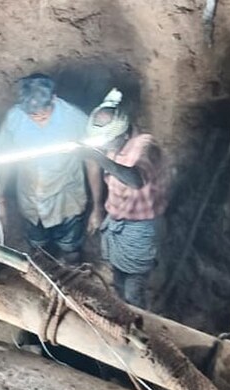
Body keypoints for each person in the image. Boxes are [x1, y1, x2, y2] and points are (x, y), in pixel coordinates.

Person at [0, 73, 103, 266]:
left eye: (42, 113)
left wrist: (97, 206)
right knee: (39, 247)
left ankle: (71, 273)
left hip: (67, 199)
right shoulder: (15, 118)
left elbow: (92, 162)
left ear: (54, 98)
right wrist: (0, 197)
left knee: (70, 247)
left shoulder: (75, 119)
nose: (37, 118)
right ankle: (45, 273)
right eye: (32, 115)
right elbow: (3, 160)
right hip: (31, 201)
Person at [78, 89, 168, 309]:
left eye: (107, 142)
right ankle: (121, 312)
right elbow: (97, 163)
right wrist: (97, 209)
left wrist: (100, 158)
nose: (104, 147)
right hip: (117, 219)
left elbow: (136, 180)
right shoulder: (113, 143)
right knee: (118, 277)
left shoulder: (146, 146)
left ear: (124, 134)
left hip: (141, 227)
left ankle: (137, 325)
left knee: (134, 287)